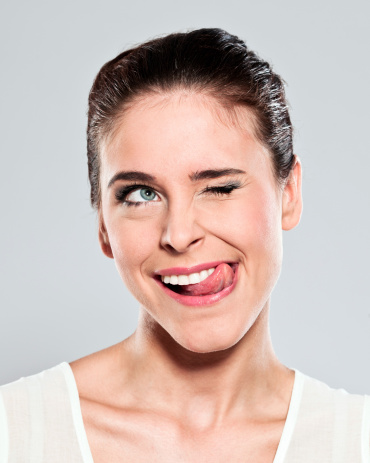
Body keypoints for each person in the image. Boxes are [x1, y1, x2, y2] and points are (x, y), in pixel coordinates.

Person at [0, 28, 369, 463]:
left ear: (289, 194)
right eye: (140, 194)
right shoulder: (14, 430)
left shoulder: (356, 441)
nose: (178, 235)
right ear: (103, 223)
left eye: (219, 188)